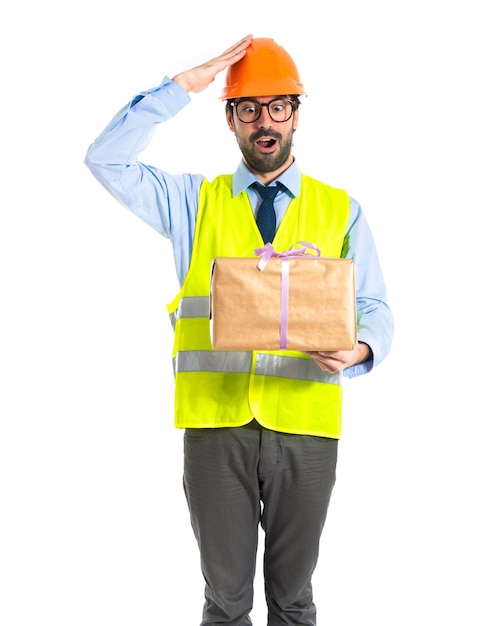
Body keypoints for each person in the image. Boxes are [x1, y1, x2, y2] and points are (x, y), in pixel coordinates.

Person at [85, 34, 394, 626]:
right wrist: (183, 86)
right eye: (248, 107)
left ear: (297, 113)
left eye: (278, 105)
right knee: (225, 605)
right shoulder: (192, 202)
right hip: (214, 428)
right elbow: (106, 160)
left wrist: (359, 347)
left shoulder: (341, 209)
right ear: (229, 117)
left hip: (305, 427)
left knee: (294, 602)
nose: (264, 121)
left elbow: (376, 305)